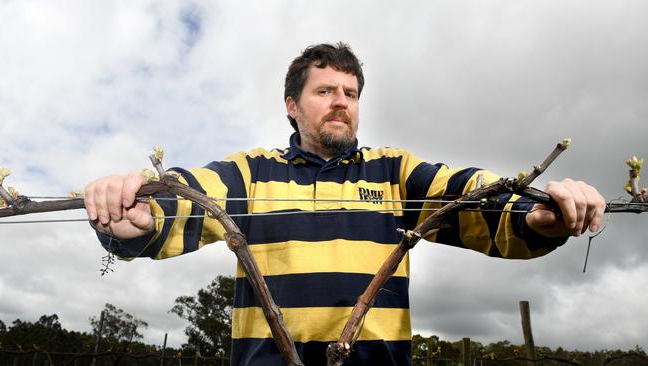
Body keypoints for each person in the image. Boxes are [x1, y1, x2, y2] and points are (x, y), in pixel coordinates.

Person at [84, 43, 606, 365]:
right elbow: (188, 199)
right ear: (292, 106)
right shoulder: (252, 170)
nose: (341, 101)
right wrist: (141, 214)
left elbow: (471, 197)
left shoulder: (393, 171)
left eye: (350, 93)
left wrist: (536, 212)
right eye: (325, 90)